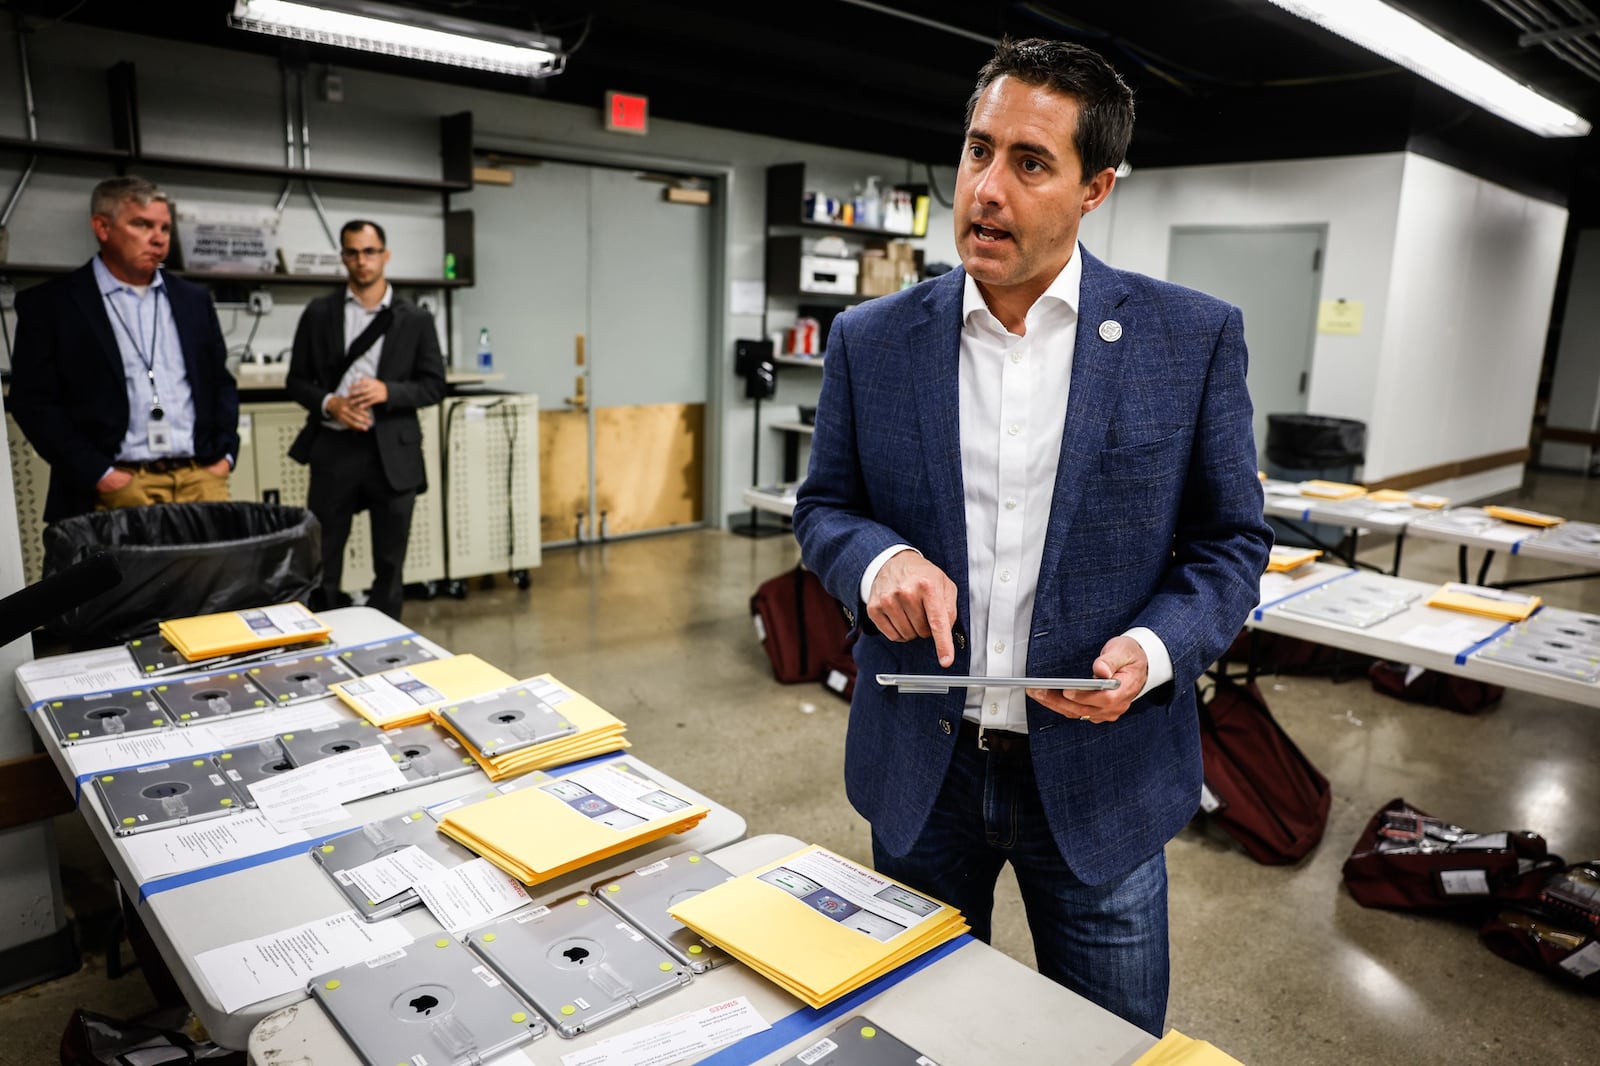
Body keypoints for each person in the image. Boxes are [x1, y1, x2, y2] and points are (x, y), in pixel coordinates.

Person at [792, 37, 1271, 1035]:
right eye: (977, 151)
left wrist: (1147, 652)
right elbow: (824, 506)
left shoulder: (1188, 340)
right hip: (924, 768)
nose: (987, 189)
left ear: (1095, 187)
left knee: (1101, 1043)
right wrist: (875, 560)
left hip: (1100, 780)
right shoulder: (870, 340)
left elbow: (1229, 545)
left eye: (1030, 162)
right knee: (915, 1033)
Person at [10, 176, 237, 523]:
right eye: (142, 224)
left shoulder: (193, 300)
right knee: (126, 578)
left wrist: (224, 459)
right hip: (118, 485)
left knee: (212, 578)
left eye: (164, 227)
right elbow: (34, 403)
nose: (158, 238)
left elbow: (220, 383)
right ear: (102, 227)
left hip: (199, 478)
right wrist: (100, 475)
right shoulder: (53, 304)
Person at [286, 220, 445, 621]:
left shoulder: (415, 319)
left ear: (385, 255)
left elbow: (434, 385)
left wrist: (388, 392)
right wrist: (330, 404)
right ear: (343, 257)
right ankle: (326, 637)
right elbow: (296, 381)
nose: (362, 260)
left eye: (370, 251)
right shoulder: (319, 313)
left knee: (390, 564)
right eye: (353, 252)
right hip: (335, 449)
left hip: (392, 453)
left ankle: (385, 637)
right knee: (324, 560)